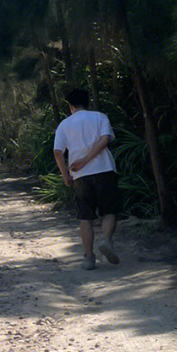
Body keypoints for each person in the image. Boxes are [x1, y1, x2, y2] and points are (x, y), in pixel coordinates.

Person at [52, 87, 120, 270]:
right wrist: (87, 160)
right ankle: (106, 240)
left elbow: (57, 152)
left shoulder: (64, 125)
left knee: (85, 217)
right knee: (109, 211)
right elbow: (105, 140)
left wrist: (67, 175)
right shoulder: (100, 117)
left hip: (80, 176)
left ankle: (89, 258)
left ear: (71, 106)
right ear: (87, 102)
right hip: (105, 169)